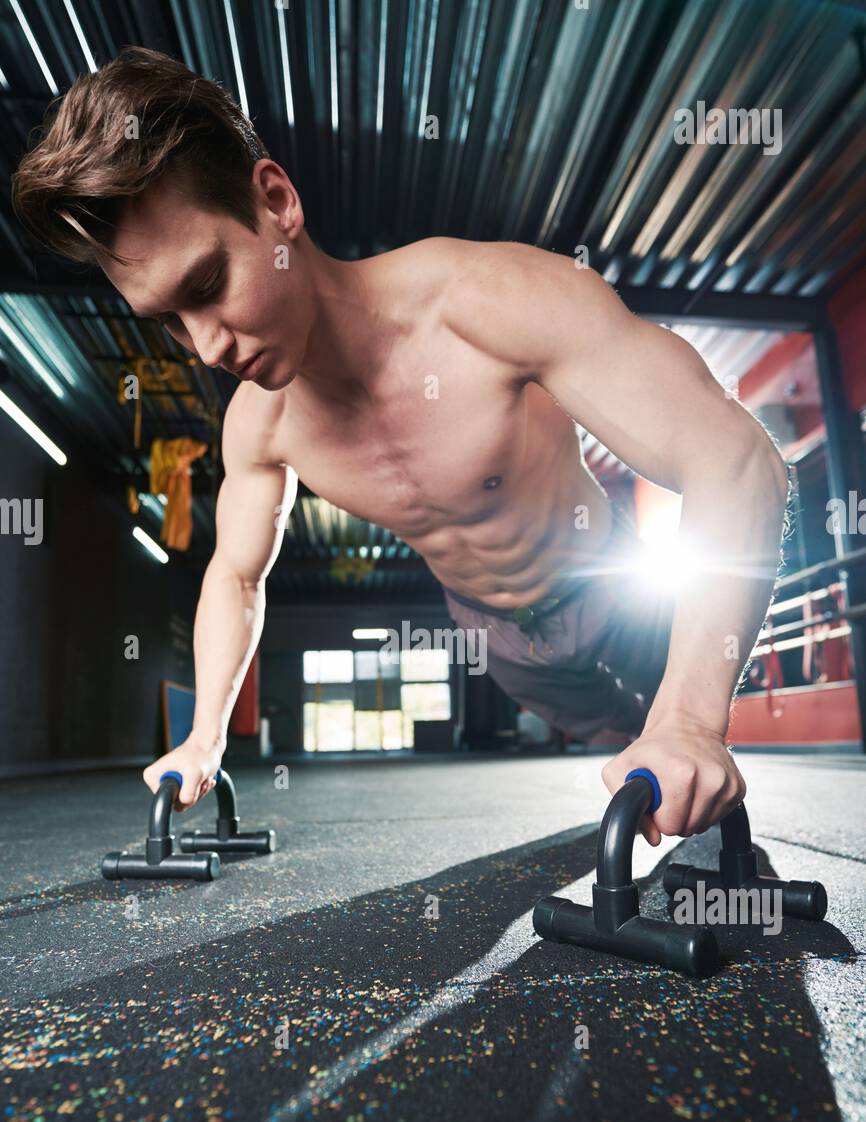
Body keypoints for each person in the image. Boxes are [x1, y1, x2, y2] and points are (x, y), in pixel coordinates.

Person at [13, 47, 788, 845]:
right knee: (629, 759)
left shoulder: (490, 305)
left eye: (208, 285)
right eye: (171, 319)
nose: (205, 347)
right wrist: (206, 735)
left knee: (690, 746)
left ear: (276, 201)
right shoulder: (260, 424)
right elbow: (237, 575)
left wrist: (693, 720)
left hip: (610, 586)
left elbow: (733, 457)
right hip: (497, 639)